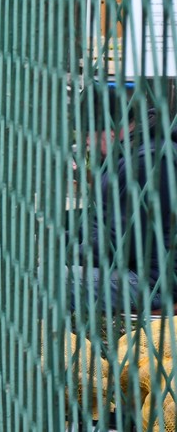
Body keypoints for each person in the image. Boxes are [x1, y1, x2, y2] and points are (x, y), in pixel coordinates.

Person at [70, 84, 177, 313]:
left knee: (47, 281)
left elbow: (115, 247)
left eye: (88, 134)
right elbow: (101, 224)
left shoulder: (143, 162)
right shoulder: (125, 155)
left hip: (155, 283)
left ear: (109, 130)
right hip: (134, 268)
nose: (86, 142)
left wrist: (65, 248)